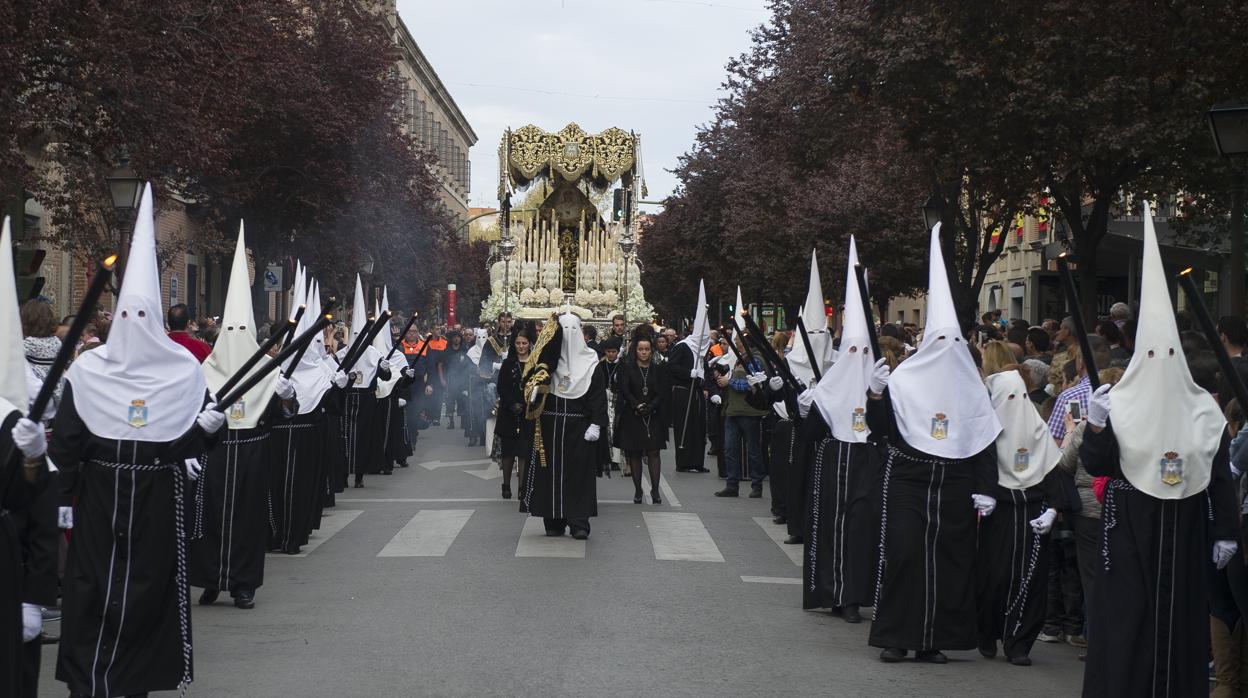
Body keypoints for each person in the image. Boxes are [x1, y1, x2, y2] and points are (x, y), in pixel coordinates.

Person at [49, 185, 226, 697]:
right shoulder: (88, 372)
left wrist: (205, 433)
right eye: (124, 316)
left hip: (155, 504)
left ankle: (135, 681)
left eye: (142, 318)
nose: (132, 326)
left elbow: (187, 449)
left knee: (148, 594)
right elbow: (67, 446)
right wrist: (60, 500)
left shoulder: (183, 375)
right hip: (99, 500)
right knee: (91, 591)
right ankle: (88, 682)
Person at [1079, 205, 1238, 697]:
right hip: (1130, 526)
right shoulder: (1117, 401)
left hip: (1188, 526)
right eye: (1151, 353)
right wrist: (1098, 425)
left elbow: (1218, 474)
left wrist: (1225, 530)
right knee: (1128, 618)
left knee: (1181, 621)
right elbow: (1099, 465)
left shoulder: (1203, 412)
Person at [867, 224, 1002, 664]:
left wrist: (987, 487)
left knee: (950, 562)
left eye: (952, 341)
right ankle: (897, 635)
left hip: (955, 483)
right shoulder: (903, 378)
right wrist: (874, 395)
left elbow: (983, 438)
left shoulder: (972, 387)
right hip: (910, 477)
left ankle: (934, 639)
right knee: (906, 555)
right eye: (937, 340)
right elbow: (883, 429)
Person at [193, 226, 298, 610]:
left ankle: (243, 583)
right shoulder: (207, 367)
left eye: (243, 330)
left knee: (247, 520)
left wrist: (286, 397)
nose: (237, 336)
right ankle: (209, 579)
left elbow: (288, 412)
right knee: (210, 518)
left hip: (253, 452)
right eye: (231, 330)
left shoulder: (268, 370)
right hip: (217, 453)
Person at [800, 236, 882, 623]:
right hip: (835, 463)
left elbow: (889, 429)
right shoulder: (829, 386)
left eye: (863, 352)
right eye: (852, 351)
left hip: (868, 461)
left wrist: (880, 396)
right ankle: (832, 591)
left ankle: (855, 595)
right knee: (833, 527)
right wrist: (809, 406)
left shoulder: (881, 385)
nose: (858, 358)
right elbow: (812, 434)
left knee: (863, 529)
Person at [975, 365, 1067, 666]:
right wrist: (980, 495)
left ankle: (1019, 643)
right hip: (998, 515)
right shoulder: (986, 431)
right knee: (994, 577)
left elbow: (1055, 474)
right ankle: (987, 632)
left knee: (1030, 581)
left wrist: (1053, 510)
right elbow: (976, 469)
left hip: (1031, 515)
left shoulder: (1038, 431)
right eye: (1007, 398)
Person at [270, 276, 344, 555]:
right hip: (276, 440)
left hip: (307, 440)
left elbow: (333, 409)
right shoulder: (273, 371)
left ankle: (294, 536)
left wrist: (338, 389)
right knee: (274, 488)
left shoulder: (318, 373)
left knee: (300, 489)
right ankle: (274, 534)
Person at [520, 314, 607, 540]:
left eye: (572, 329)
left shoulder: (591, 363)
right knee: (549, 473)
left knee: (578, 475)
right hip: (550, 426)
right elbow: (531, 391)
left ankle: (579, 522)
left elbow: (598, 397)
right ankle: (553, 519)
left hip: (579, 427)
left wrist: (596, 424)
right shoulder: (548, 361)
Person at [337, 275, 393, 489]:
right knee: (344, 439)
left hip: (367, 401)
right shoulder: (343, 354)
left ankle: (359, 474)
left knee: (362, 439)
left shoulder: (373, 354)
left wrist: (385, 369)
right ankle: (342, 474)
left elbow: (384, 377)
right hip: (347, 400)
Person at [616, 330, 670, 504]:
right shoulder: (627, 367)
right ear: (636, 351)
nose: (644, 352)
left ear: (651, 350)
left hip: (653, 415)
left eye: (647, 349)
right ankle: (638, 490)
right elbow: (625, 389)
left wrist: (651, 406)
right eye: (641, 349)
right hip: (633, 414)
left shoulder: (658, 369)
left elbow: (662, 391)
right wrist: (636, 405)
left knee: (654, 452)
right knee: (635, 453)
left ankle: (655, 490)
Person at [714, 331, 768, 498]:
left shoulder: (755, 360)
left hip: (749, 411)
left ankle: (757, 485)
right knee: (730, 449)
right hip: (734, 410)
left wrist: (729, 382)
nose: (735, 342)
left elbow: (754, 384)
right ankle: (732, 484)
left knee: (753, 450)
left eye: (737, 339)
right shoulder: (741, 358)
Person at [668, 281, 710, 474]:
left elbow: (707, 371)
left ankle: (697, 462)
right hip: (684, 393)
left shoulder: (701, 352)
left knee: (699, 428)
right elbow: (672, 367)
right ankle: (684, 462)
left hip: (697, 393)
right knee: (686, 427)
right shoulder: (683, 347)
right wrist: (688, 373)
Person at [496, 323, 534, 501]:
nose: (521, 346)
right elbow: (501, 387)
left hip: (528, 412)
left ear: (529, 344)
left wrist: (528, 404)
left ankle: (522, 487)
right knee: (509, 452)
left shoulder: (534, 364)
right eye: (518, 343)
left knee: (524, 452)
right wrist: (512, 404)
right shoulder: (508, 363)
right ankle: (506, 484)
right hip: (509, 412)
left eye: (524, 343)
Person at [438, 330, 469, 430]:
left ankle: (463, 422)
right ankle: (451, 422)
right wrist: (442, 379)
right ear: (451, 339)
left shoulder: (464, 351)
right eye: (455, 337)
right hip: (450, 379)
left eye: (458, 337)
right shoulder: (446, 351)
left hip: (462, 380)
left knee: (463, 401)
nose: (457, 339)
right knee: (450, 401)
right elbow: (440, 365)